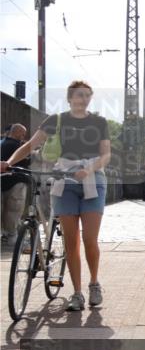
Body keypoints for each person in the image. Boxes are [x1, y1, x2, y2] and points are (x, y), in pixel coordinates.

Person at [2, 81, 112, 312]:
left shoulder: (98, 123)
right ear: (69, 97)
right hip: (64, 181)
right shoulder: (55, 121)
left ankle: (94, 283)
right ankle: (77, 293)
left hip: (92, 180)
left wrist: (89, 170)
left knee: (89, 239)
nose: (83, 99)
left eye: (87, 96)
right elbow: (31, 144)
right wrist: (9, 162)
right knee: (71, 242)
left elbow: (105, 155)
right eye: (79, 95)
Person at [1, 123, 31, 242]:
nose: (24, 136)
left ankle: (5, 233)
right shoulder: (17, 146)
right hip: (17, 180)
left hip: (3, 180)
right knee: (14, 209)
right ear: (16, 132)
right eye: (22, 133)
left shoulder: (2, 143)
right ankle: (12, 236)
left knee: (4, 209)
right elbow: (25, 161)